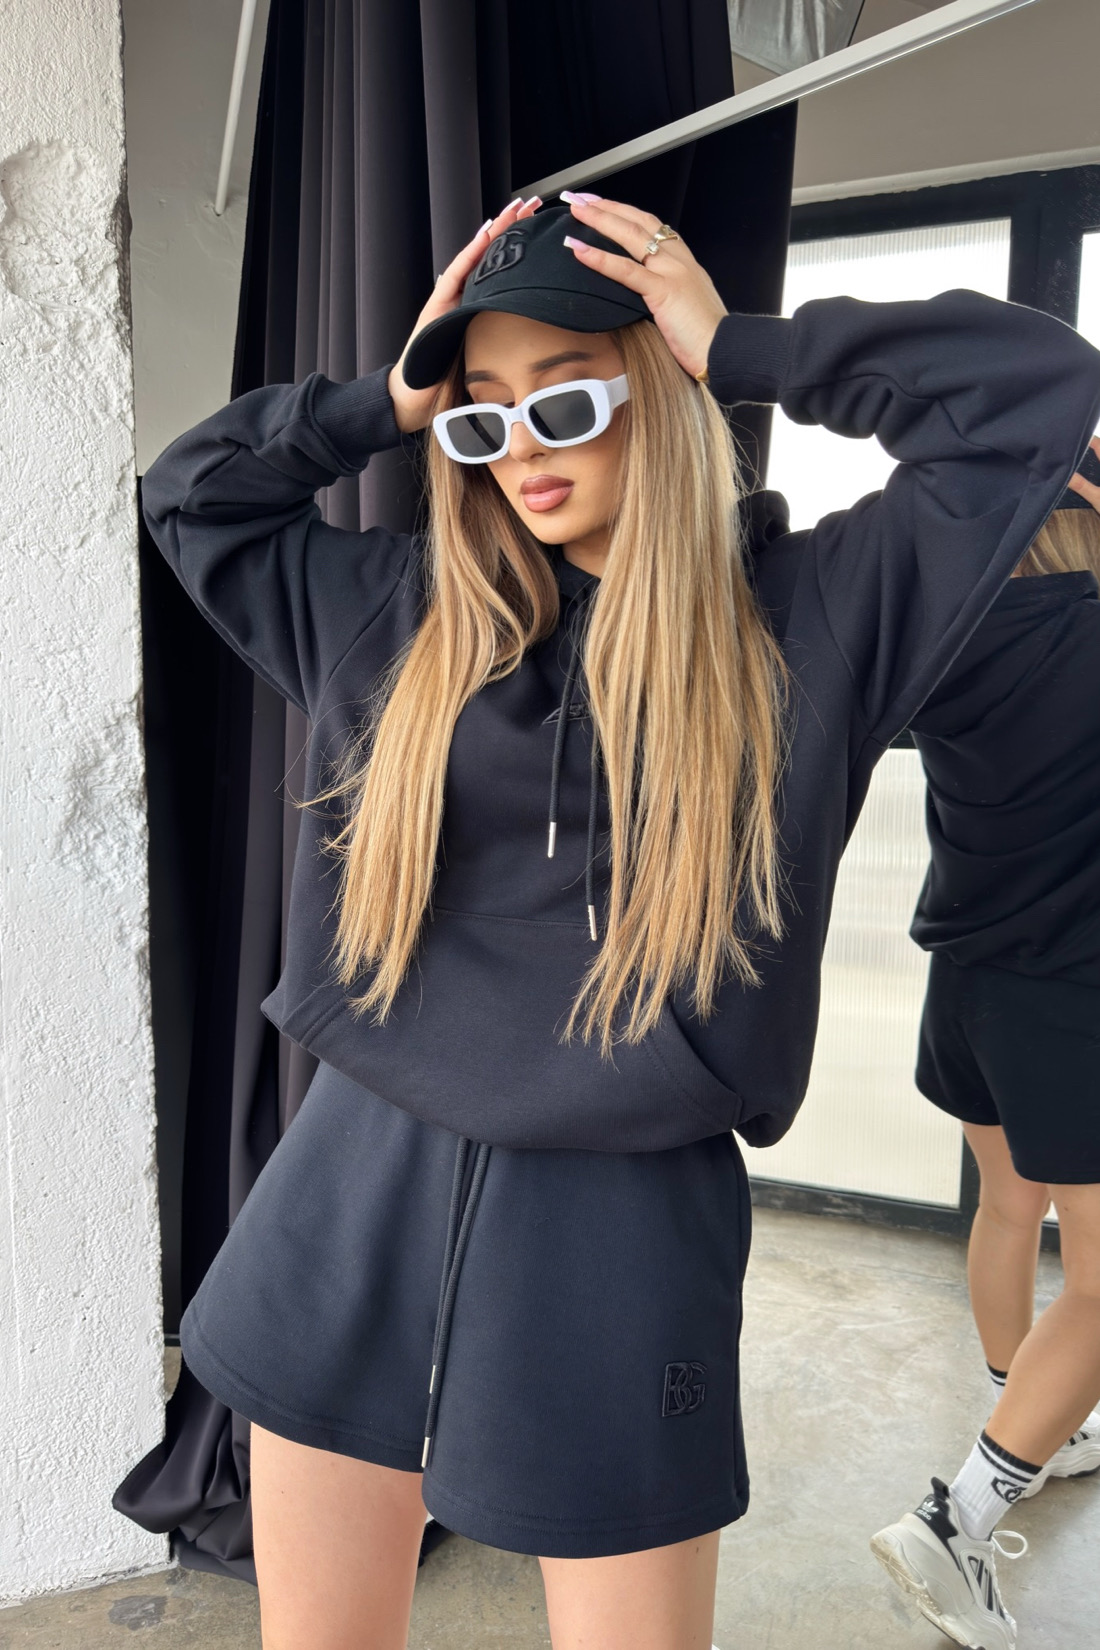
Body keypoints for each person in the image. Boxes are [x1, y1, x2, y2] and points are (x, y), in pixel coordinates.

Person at [141, 192, 1100, 1650]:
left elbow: (1036, 392)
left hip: (620, 1225)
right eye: (484, 415)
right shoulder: (400, 615)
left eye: (566, 397)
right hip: (349, 1188)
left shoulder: (808, 620)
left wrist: (745, 346)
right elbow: (192, 495)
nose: (521, 448)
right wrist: (382, 401)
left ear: (656, 387)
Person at [871, 438, 1100, 1650]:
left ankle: (1032, 1417)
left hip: (968, 976)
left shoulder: (949, 635)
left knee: (1008, 1208)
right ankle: (956, 1522)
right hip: (1072, 994)